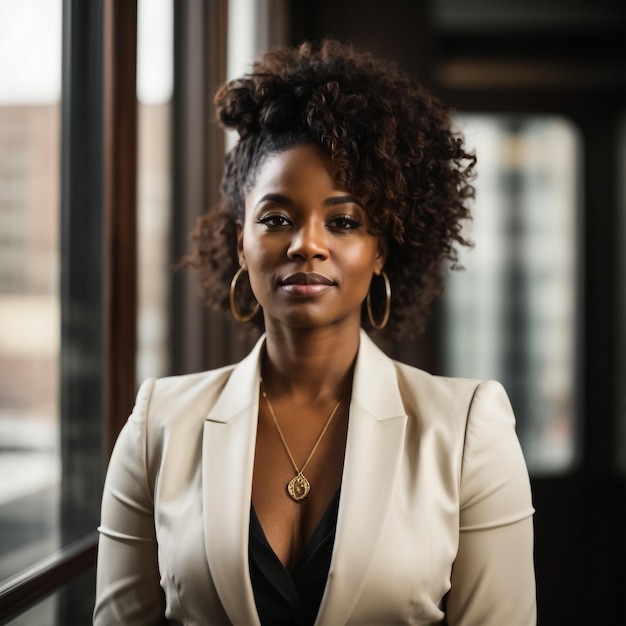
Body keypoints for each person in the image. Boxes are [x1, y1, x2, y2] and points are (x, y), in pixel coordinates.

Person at [94, 40, 536, 625]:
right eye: (276, 218)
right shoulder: (159, 424)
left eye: (344, 221)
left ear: (381, 249)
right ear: (239, 242)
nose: (307, 243)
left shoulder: (466, 430)